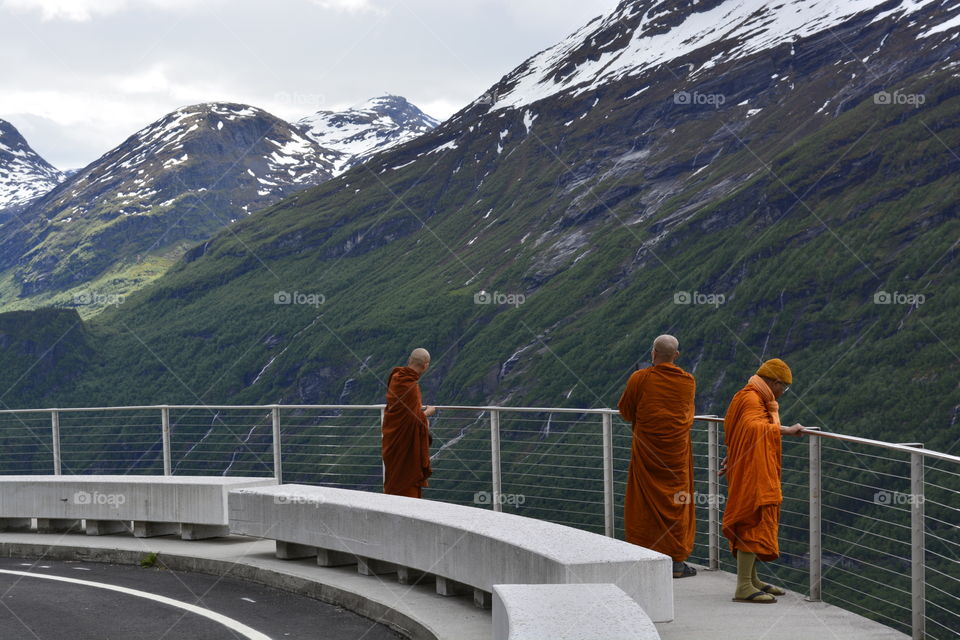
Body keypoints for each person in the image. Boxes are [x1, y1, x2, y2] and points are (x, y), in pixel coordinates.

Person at [722, 358, 806, 604]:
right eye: (784, 388)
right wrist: (786, 430)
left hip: (749, 465)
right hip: (753, 471)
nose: (782, 394)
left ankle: (752, 580)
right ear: (775, 382)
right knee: (752, 517)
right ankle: (743, 586)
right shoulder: (750, 399)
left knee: (755, 518)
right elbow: (750, 427)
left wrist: (731, 455)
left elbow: (733, 428)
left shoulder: (750, 396)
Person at [618, 334, 698, 579]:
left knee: (644, 503)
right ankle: (676, 562)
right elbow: (688, 414)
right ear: (676, 356)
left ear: (653, 354)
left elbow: (626, 412)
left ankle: (644, 556)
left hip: (647, 452)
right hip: (676, 456)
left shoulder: (640, 378)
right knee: (677, 503)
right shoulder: (688, 381)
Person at [382, 348, 436, 498]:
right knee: (406, 484)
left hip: (392, 438)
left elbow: (402, 409)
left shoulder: (396, 377)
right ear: (425, 366)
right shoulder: (412, 386)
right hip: (405, 444)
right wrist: (428, 412)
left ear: (409, 360)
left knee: (394, 479)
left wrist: (415, 410)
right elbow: (415, 420)